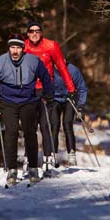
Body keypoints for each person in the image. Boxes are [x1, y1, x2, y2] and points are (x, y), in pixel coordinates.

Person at [0, 33, 54, 185]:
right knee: (11, 132)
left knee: (30, 132)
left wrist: (48, 95)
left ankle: (32, 168)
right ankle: (12, 170)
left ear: (23, 49)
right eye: (12, 47)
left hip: (28, 100)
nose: (15, 51)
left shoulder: (33, 61)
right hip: (7, 101)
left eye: (18, 47)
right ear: (9, 49)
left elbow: (45, 78)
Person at [24, 21, 77, 176]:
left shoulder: (51, 46)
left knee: (46, 126)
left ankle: (48, 160)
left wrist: (71, 88)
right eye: (31, 31)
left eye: (37, 31)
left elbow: (61, 66)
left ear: (41, 32)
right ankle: (30, 160)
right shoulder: (23, 46)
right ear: (27, 33)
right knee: (30, 127)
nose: (34, 34)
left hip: (47, 91)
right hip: (29, 91)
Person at [51, 62, 87, 166]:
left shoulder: (73, 70)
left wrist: (80, 106)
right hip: (54, 99)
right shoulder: (49, 69)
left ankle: (72, 156)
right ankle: (53, 156)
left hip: (69, 99)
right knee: (54, 125)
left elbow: (82, 88)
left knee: (67, 125)